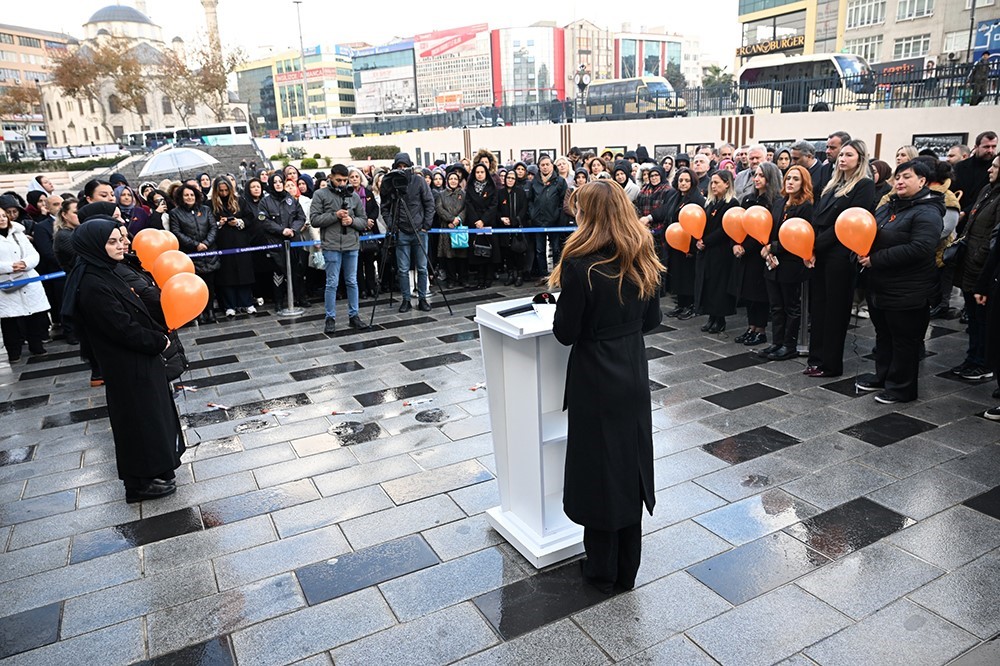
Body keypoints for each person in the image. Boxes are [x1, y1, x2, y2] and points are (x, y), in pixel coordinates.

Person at [549, 179, 663, 595]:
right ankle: (626, 569)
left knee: (598, 471)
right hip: (632, 370)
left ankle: (601, 570)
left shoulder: (581, 264)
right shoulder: (643, 252)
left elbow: (565, 332)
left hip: (595, 377)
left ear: (590, 215)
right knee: (630, 467)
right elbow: (652, 322)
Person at [61, 218, 183, 503]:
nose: (122, 245)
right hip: (127, 364)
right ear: (95, 245)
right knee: (137, 422)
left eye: (122, 239)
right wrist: (158, 341)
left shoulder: (106, 269)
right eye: (113, 241)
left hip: (139, 360)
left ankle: (157, 470)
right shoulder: (91, 282)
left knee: (151, 417)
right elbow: (120, 327)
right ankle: (139, 483)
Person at [855, 160, 943, 403]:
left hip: (908, 289)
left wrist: (876, 259)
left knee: (904, 340)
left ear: (922, 181)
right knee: (884, 335)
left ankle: (901, 388)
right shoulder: (890, 206)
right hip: (881, 285)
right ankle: (883, 377)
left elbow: (921, 248)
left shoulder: (928, 211)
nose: (900, 182)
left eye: (907, 177)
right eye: (898, 177)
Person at [804, 139, 876, 378]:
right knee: (819, 308)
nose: (843, 158)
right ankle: (815, 359)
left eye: (849, 155)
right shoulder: (832, 184)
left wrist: (816, 245)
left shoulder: (864, 185)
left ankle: (831, 364)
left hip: (840, 254)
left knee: (835, 311)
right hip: (821, 251)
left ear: (860, 159)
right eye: (842, 154)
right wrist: (810, 248)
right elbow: (818, 218)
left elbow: (846, 225)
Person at [951, 154, 1000, 381]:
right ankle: (972, 358)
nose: (990, 169)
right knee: (973, 316)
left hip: (983, 266)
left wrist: (981, 256)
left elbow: (995, 238)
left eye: (995, 166)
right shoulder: (987, 191)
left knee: (982, 319)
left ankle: (983, 363)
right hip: (970, 262)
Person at [759, 165, 814, 361]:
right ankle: (777, 342)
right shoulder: (779, 203)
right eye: (788, 178)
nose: (790, 182)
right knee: (776, 306)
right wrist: (766, 247)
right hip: (773, 263)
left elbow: (796, 237)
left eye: (796, 179)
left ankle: (789, 345)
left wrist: (772, 247)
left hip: (791, 263)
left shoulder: (806, 207)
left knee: (790, 306)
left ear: (804, 183)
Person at [311, 164, 371, 333]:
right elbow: (314, 219)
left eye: (345, 180)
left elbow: (363, 220)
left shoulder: (354, 196)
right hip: (331, 245)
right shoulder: (320, 194)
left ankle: (354, 315)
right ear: (331, 177)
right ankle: (330, 318)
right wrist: (334, 216)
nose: (343, 183)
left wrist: (352, 221)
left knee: (352, 281)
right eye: (339, 180)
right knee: (332, 283)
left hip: (351, 244)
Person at [732, 161, 782, 346]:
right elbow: (739, 225)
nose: (757, 178)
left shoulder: (774, 202)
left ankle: (760, 330)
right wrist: (736, 244)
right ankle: (751, 327)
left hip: (760, 253)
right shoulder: (747, 198)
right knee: (747, 293)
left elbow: (764, 230)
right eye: (755, 175)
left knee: (759, 294)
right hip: (745, 254)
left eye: (762, 175)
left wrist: (746, 246)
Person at [381, 153, 435, 313]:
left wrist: (426, 225)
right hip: (401, 231)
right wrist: (391, 225)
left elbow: (429, 202)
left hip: (420, 230)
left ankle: (423, 298)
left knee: (422, 268)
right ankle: (406, 299)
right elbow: (384, 206)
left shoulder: (418, 181)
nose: (402, 169)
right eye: (399, 166)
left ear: (410, 166)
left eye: (405, 166)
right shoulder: (390, 183)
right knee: (403, 269)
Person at [0, 208, 50, 363]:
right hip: (5, 282)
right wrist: (10, 267)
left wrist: (25, 263)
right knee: (9, 320)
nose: (2, 219)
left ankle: (37, 346)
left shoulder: (18, 233)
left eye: (3, 216)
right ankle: (14, 352)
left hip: (27, 278)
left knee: (33, 315)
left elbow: (33, 254)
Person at [696, 170, 740, 333]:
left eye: (717, 183)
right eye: (712, 183)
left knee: (719, 285)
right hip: (708, 250)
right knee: (709, 283)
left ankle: (719, 318)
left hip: (721, 251)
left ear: (727, 184)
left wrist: (706, 241)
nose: (713, 186)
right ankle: (711, 316)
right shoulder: (710, 203)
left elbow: (725, 229)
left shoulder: (732, 203)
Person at [169, 183, 219, 323]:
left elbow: (213, 228)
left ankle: (210, 311)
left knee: (210, 285)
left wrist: (206, 243)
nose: (189, 197)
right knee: (195, 286)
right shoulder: (175, 213)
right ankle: (199, 313)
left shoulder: (206, 210)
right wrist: (195, 245)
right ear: (181, 197)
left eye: (191, 194)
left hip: (209, 254)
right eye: (186, 195)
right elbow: (177, 232)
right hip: (191, 256)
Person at [660, 168, 705, 319]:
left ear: (692, 182)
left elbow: (697, 224)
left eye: (687, 180)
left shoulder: (697, 199)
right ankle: (681, 304)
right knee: (678, 275)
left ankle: (691, 305)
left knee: (688, 276)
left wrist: (690, 246)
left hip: (689, 246)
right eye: (681, 180)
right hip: (675, 244)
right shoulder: (675, 197)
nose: (683, 183)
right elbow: (669, 216)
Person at [261, 173, 307, 310]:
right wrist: (281, 230)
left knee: (297, 271)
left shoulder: (291, 199)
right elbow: (264, 220)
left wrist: (293, 229)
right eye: (275, 182)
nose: (278, 184)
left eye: (280, 181)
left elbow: (301, 217)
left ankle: (300, 298)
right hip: (276, 242)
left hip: (293, 240)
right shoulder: (266, 202)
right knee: (279, 273)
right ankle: (279, 301)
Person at [211, 176, 256, 317]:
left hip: (240, 242)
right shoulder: (210, 204)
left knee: (244, 273)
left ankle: (246, 302)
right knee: (226, 276)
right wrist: (220, 223)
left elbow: (250, 218)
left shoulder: (239, 201)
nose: (224, 194)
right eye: (221, 191)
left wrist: (237, 222)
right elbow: (209, 223)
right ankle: (229, 305)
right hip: (223, 243)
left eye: (226, 190)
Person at [528, 155, 568, 278]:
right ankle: (543, 275)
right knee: (540, 251)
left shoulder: (560, 181)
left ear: (552, 165)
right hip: (538, 221)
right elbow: (530, 200)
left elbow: (564, 201)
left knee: (556, 249)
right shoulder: (534, 182)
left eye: (547, 164)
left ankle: (556, 275)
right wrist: (533, 214)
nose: (545, 167)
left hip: (554, 222)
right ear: (539, 167)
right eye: (542, 165)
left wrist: (558, 216)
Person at [466, 163, 501, 289]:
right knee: (478, 251)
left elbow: (494, 205)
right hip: (475, 224)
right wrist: (476, 220)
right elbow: (468, 204)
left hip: (488, 223)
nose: (479, 174)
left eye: (482, 172)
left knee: (490, 250)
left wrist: (483, 220)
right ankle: (480, 278)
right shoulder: (470, 188)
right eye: (477, 172)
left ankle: (489, 277)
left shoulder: (492, 187)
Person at [436, 166, 468, 289]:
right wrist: (450, 219)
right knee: (449, 256)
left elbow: (466, 208)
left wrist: (458, 219)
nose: (453, 181)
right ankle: (451, 279)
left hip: (460, 227)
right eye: (451, 179)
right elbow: (439, 208)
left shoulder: (463, 194)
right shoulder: (441, 194)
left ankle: (463, 278)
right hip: (447, 227)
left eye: (456, 179)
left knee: (461, 254)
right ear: (447, 181)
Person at [498, 169, 530, 286]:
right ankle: (510, 274)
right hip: (504, 228)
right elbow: (497, 209)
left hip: (517, 227)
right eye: (508, 178)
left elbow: (524, 209)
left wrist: (514, 220)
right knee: (507, 252)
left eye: (512, 178)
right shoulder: (500, 193)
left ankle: (519, 275)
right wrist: (501, 218)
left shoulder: (520, 192)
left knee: (519, 252)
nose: (510, 180)